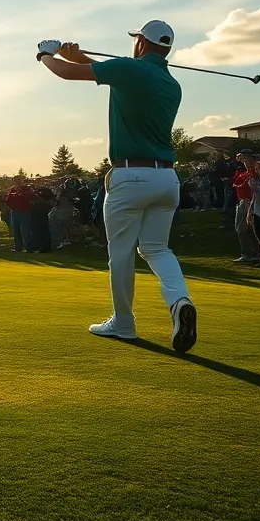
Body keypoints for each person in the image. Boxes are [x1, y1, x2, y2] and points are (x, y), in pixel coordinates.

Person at [37, 20, 197, 354]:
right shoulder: (171, 82)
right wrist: (79, 56)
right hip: (167, 179)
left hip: (130, 176)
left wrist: (45, 53)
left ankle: (123, 322)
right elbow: (103, 70)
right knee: (156, 248)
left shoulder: (128, 69)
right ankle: (179, 300)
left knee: (121, 253)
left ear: (140, 42)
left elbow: (65, 73)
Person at [231, 151, 260, 264]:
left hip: (250, 201)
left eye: (245, 159)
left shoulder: (256, 172)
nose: (243, 161)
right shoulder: (243, 172)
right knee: (241, 228)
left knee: (250, 228)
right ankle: (248, 253)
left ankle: (255, 253)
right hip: (242, 201)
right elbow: (235, 183)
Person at [4, 178, 34, 252]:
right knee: (16, 230)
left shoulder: (26, 189)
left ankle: (28, 248)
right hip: (14, 212)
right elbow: (8, 199)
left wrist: (18, 193)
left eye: (18, 181)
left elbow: (28, 197)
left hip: (24, 211)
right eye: (15, 181)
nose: (17, 183)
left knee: (25, 230)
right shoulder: (13, 189)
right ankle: (18, 247)